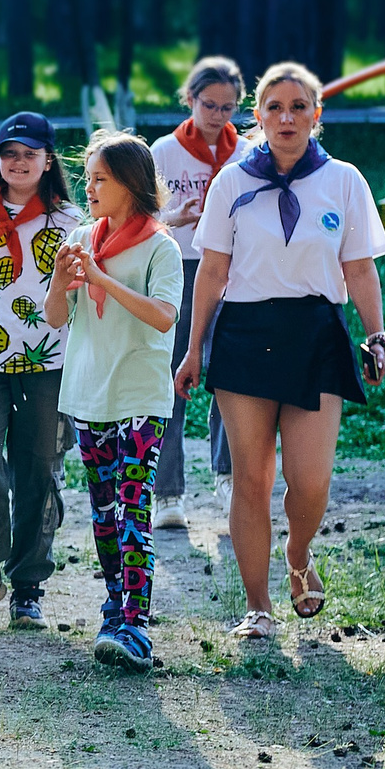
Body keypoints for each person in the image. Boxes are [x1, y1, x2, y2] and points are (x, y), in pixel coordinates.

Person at [176, 61, 385, 639]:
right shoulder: (232, 181)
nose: (287, 117)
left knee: (311, 480)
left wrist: (375, 335)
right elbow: (212, 270)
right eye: (275, 107)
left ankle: (298, 554)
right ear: (259, 117)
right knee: (251, 477)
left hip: (317, 332)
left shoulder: (344, 180)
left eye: (299, 107)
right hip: (245, 333)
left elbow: (360, 267)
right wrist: (193, 349)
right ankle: (258, 606)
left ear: (316, 115)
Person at [45, 133, 183, 670]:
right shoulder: (82, 237)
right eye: (88, 177)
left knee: (133, 508)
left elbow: (163, 315)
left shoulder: (161, 246)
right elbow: (58, 317)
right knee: (103, 512)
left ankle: (136, 626)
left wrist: (101, 277)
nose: (90, 187)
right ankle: (112, 608)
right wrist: (61, 281)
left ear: (130, 184)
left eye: (100, 178)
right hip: (88, 391)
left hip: (140, 395)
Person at [0, 112, 87, 628]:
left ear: (48, 160)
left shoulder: (72, 223)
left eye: (30, 153)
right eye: (10, 153)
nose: (19, 162)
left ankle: (29, 583)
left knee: (37, 467)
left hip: (49, 360)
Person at [149, 57, 244, 529]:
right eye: (209, 105)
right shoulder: (164, 152)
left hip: (233, 273)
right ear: (190, 100)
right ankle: (167, 493)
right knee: (174, 375)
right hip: (178, 269)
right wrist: (176, 220)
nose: (218, 116)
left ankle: (228, 479)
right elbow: (138, 219)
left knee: (228, 375)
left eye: (228, 107)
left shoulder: (245, 151)